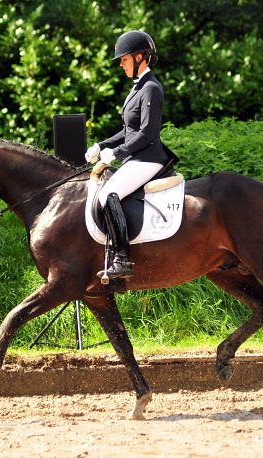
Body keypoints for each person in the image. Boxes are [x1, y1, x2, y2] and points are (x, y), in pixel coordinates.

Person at [85, 30, 172, 280]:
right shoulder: (138, 88)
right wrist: (101, 146)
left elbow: (146, 134)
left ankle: (122, 259)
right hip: (138, 157)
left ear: (140, 57)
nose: (121, 64)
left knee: (108, 194)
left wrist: (118, 153)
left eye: (124, 59)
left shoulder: (151, 89)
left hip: (150, 157)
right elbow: (127, 131)